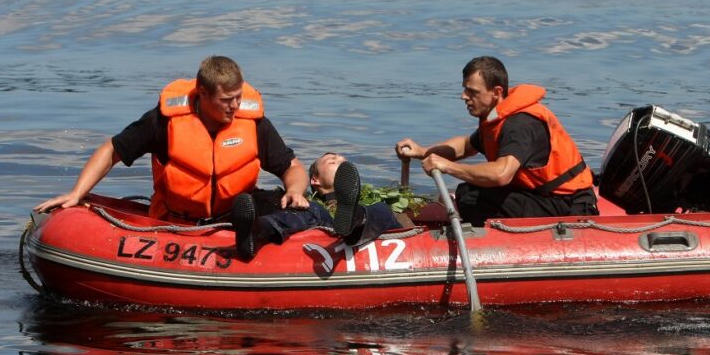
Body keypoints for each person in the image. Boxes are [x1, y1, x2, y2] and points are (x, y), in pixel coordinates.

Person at [34, 55, 311, 224]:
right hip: (175, 226)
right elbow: (112, 150)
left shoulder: (254, 124)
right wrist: (77, 193)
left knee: (278, 205)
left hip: (232, 221)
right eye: (227, 100)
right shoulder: (164, 122)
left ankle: (255, 234)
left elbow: (292, 168)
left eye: (238, 97)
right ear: (202, 93)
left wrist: (295, 190)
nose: (235, 106)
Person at [395, 56, 598, 225]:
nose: (463, 96)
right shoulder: (495, 119)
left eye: (472, 92)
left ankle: (483, 240)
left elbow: (501, 174)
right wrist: (422, 151)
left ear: (496, 93)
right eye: (465, 89)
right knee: (469, 191)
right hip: (540, 196)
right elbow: (465, 146)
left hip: (567, 204)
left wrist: (447, 167)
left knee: (470, 197)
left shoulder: (520, 125)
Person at [231, 153, 414, 260]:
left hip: (363, 221)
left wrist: (405, 164)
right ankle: (256, 229)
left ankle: (354, 218)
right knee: (311, 210)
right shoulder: (312, 204)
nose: (340, 161)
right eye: (332, 161)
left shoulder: (372, 202)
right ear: (315, 180)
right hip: (326, 220)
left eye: (344, 161)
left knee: (382, 209)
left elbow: (405, 223)